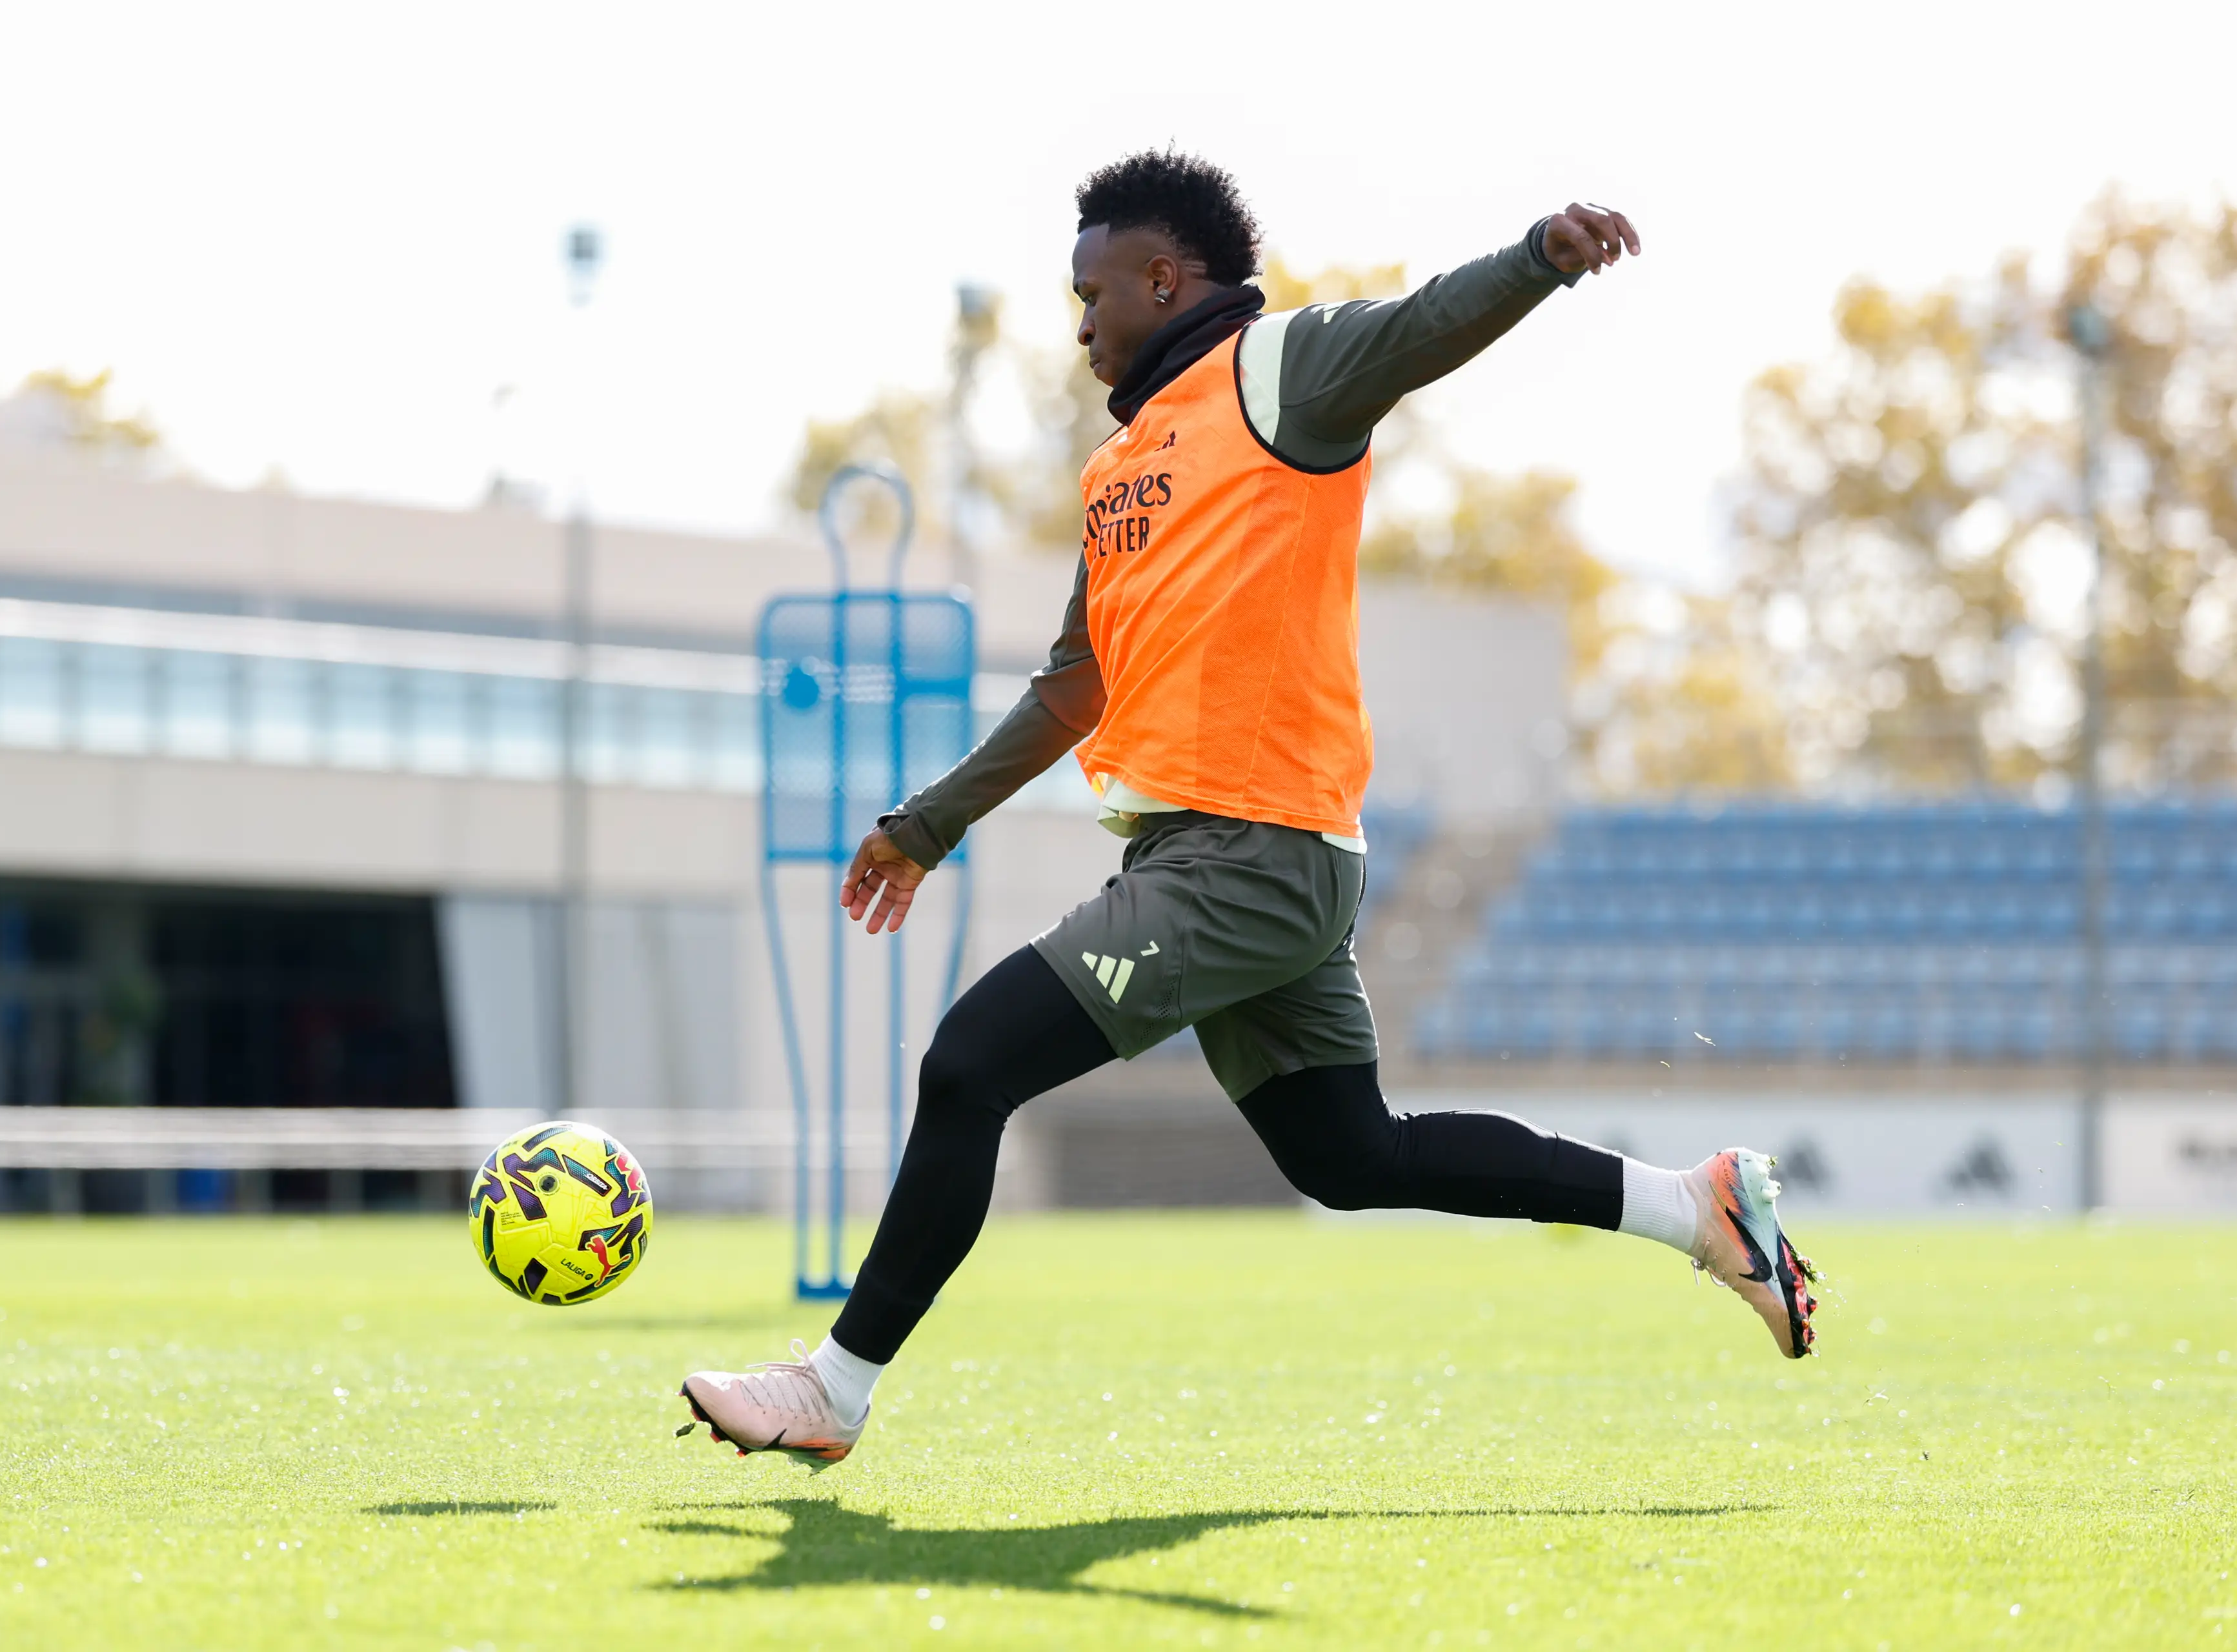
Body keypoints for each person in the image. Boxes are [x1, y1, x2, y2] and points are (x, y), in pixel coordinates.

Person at [680, 150, 1819, 1468]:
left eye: (1094, 293)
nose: (1081, 325)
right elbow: (1076, 686)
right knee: (1349, 1155)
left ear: (1167, 279)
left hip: (1251, 855)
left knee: (968, 1064)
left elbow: (1417, 330)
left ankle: (835, 1388)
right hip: (1218, 855)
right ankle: (1698, 1207)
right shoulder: (1118, 467)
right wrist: (928, 822)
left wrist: (1537, 260)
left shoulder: (1276, 374)